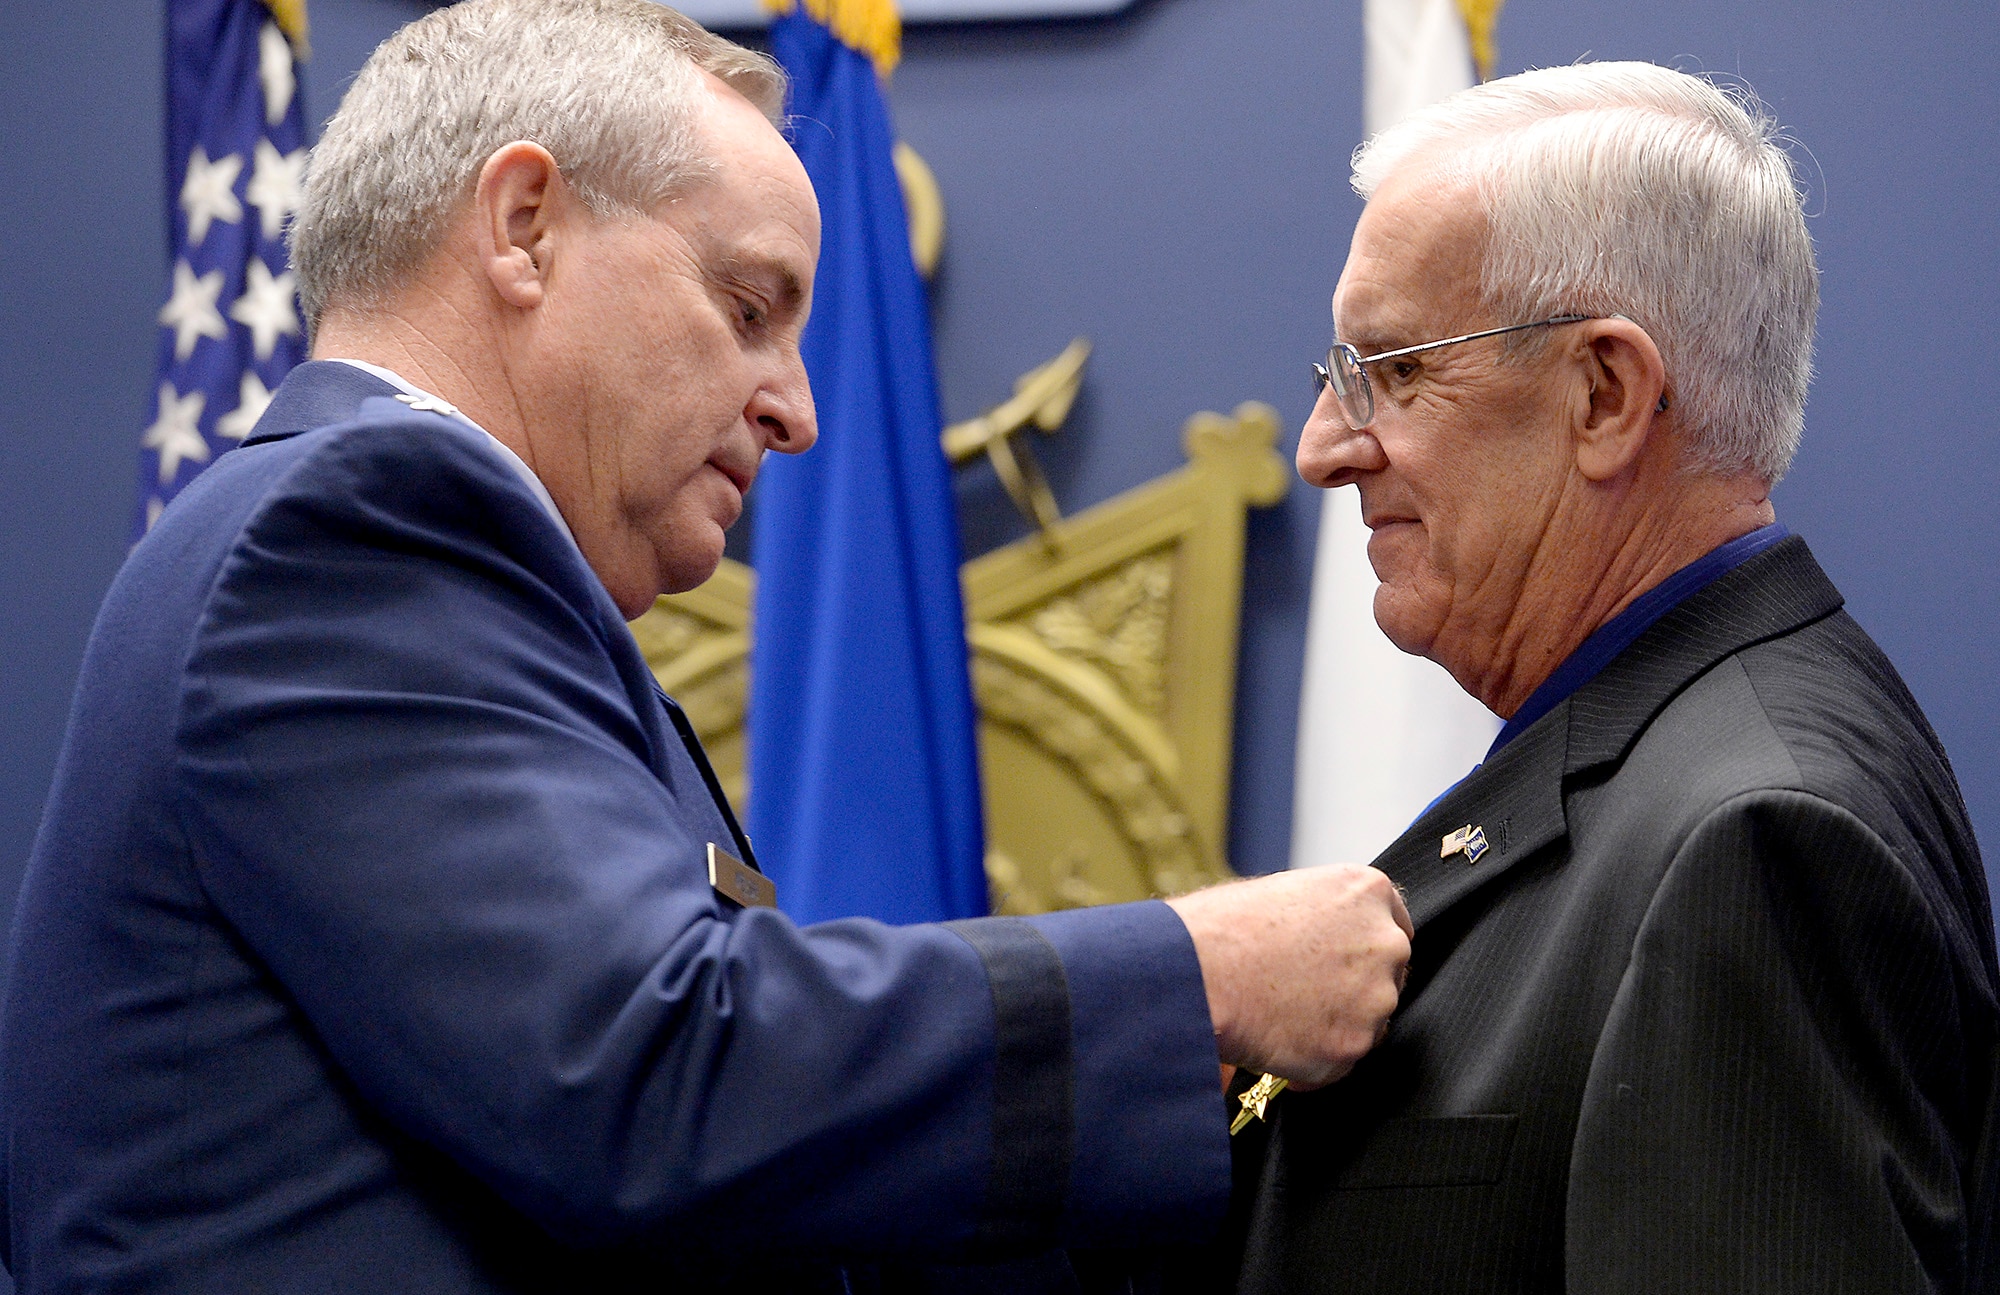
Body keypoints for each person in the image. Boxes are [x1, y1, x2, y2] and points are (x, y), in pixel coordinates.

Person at [0, 2, 1415, 1290]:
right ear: (524, 227)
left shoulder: (400, 558)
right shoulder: (361, 528)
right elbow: (647, 1073)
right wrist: (1197, 972)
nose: (797, 410)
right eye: (748, 310)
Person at [1223, 62, 2000, 1294]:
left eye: (1396, 371)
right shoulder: (1663, 751)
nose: (1322, 447)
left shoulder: (1754, 835)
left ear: (1602, 394)